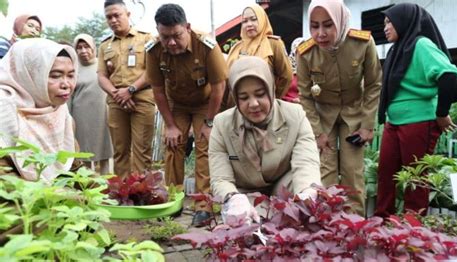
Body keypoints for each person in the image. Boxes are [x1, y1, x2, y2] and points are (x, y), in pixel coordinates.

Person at [210, 56, 321, 224]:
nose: (253, 104)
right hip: (246, 194)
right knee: (247, 228)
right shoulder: (222, 124)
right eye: (244, 97)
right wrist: (233, 198)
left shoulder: (295, 115)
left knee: (309, 200)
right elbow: (221, 178)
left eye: (260, 94)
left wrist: (306, 193)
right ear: (235, 98)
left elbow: (306, 162)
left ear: (271, 89)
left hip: (283, 187)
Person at [375, 3, 457, 217]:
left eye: (389, 22)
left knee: (415, 177)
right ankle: (382, 222)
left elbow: (449, 74)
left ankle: (413, 229)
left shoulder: (420, 45)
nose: (385, 27)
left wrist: (441, 113)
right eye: (384, 23)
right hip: (394, 121)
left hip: (419, 120)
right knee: (386, 173)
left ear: (404, 22)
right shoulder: (397, 50)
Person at [297, 0, 382, 216]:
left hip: (354, 114)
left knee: (353, 172)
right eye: (314, 26)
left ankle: (354, 226)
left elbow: (373, 85)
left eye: (328, 25)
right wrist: (317, 132)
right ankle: (329, 225)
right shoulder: (306, 53)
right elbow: (305, 96)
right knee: (326, 172)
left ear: (340, 21)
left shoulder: (362, 43)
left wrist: (367, 125)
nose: (321, 33)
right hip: (323, 117)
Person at [146, 4, 228, 226]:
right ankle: (173, 199)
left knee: (205, 146)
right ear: (158, 32)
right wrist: (170, 126)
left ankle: (203, 205)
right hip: (177, 104)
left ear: (188, 28)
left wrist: (210, 123)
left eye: (176, 36)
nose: (171, 43)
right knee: (172, 144)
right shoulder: (154, 50)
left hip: (205, 102)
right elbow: (158, 90)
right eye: (165, 37)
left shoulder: (207, 46)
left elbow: (219, 86)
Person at [0, 38, 78, 182]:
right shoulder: (4, 111)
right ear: (28, 74)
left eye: (71, 75)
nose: (67, 84)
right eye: (55, 76)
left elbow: (73, 166)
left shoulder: (58, 109)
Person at [97, 0, 155, 177]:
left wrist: (129, 91)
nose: (113, 20)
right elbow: (101, 76)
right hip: (116, 102)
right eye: (109, 17)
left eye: (117, 15)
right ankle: (122, 193)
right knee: (120, 150)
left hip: (142, 99)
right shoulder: (104, 45)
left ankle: (142, 191)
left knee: (141, 150)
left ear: (128, 14)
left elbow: (152, 71)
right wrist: (118, 95)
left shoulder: (146, 39)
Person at [225, 4, 292, 107]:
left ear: (262, 20)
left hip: (262, 107)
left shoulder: (273, 44)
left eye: (253, 19)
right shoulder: (236, 48)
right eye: (245, 21)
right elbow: (226, 80)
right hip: (235, 107)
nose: (249, 24)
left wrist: (273, 99)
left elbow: (286, 76)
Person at [68, 34, 113, 175]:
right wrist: (68, 117)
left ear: (93, 47)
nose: (83, 51)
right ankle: (88, 182)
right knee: (84, 150)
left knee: (105, 149)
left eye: (86, 46)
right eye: (79, 47)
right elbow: (69, 95)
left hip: (103, 113)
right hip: (81, 115)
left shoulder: (103, 65)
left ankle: (107, 183)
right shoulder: (73, 69)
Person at [281, 37, 304, 103]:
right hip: (289, 107)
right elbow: (279, 93)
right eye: (299, 50)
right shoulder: (286, 69)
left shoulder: (314, 69)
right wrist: (292, 100)